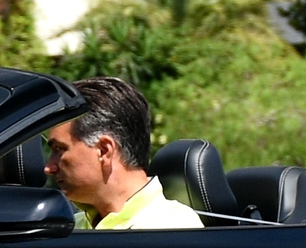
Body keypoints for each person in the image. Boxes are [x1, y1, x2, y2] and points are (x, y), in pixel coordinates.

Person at [44, 76, 201, 230]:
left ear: (104, 150)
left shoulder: (172, 229)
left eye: (59, 150)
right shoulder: (70, 229)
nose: (49, 167)